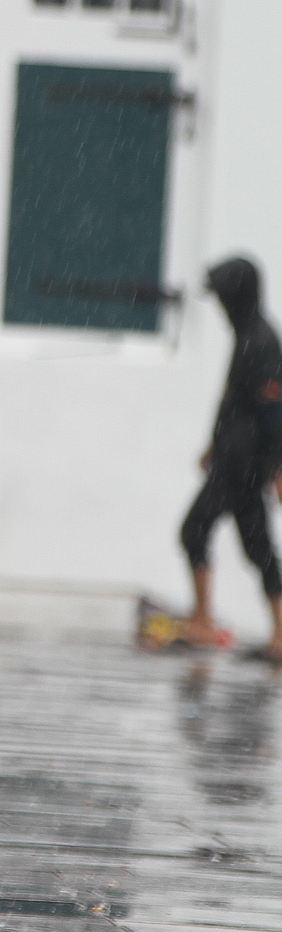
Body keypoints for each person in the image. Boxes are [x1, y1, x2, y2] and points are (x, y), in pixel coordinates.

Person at [179, 257, 282, 660]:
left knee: (193, 530)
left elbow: (273, 410)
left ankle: (203, 622)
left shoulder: (262, 341)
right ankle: (277, 631)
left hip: (243, 465)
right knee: (257, 546)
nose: (220, 306)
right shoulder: (246, 337)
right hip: (231, 459)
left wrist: (277, 467)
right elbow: (233, 405)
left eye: (224, 297)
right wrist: (211, 443)